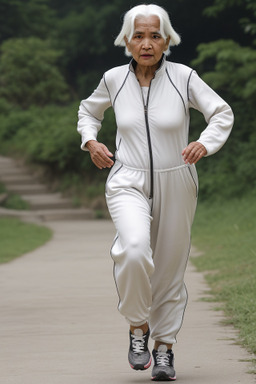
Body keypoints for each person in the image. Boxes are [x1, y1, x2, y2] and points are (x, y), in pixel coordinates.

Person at [77, 4, 234, 381]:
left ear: (167, 39)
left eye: (155, 35)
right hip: (127, 179)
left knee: (169, 268)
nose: (147, 43)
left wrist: (205, 143)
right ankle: (137, 328)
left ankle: (164, 348)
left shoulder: (184, 77)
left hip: (177, 178)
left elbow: (221, 112)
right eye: (139, 35)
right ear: (126, 40)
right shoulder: (113, 79)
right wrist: (91, 142)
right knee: (133, 250)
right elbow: (88, 111)